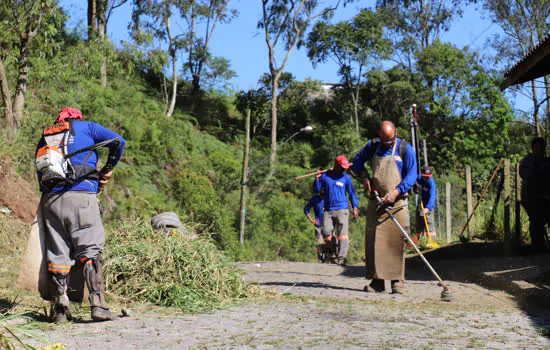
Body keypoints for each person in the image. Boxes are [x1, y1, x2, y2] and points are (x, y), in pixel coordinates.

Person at [35, 107, 125, 322]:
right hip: (82, 196)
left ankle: (60, 308)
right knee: (90, 247)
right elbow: (118, 141)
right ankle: (98, 305)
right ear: (77, 118)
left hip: (51, 201)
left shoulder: (46, 135)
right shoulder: (88, 127)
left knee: (57, 252)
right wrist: (108, 167)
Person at [352, 120, 417, 294]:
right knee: (374, 242)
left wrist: (396, 192)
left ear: (395, 132)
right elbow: (356, 162)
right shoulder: (373, 146)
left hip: (397, 202)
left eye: (391, 140)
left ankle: (397, 281)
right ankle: (377, 281)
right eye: (385, 141)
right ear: (380, 136)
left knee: (396, 242)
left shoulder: (405, 149)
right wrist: (365, 178)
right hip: (377, 201)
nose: (388, 143)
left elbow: (412, 175)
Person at [313, 155, 359, 266]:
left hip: (342, 209)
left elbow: (352, 193)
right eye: (342, 167)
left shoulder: (346, 178)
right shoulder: (325, 176)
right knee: (325, 232)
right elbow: (317, 190)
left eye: (345, 167)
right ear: (336, 165)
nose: (343, 169)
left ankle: (341, 259)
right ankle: (333, 252)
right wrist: (317, 179)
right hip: (328, 209)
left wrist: (355, 207)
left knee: (343, 235)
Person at [519, 137, 550, 252]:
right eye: (537, 147)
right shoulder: (527, 161)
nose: (539, 150)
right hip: (531, 197)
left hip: (546, 197)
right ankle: (538, 247)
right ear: (533, 148)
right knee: (536, 220)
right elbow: (526, 175)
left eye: (541, 147)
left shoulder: (547, 161)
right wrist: (538, 169)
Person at [413, 165, 437, 244]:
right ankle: (419, 243)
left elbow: (432, 197)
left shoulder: (431, 183)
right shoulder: (418, 178)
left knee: (429, 224)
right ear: (422, 174)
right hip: (420, 203)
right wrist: (415, 189)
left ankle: (432, 242)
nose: (426, 178)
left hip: (428, 206)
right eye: (424, 176)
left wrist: (427, 208)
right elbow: (415, 186)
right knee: (419, 224)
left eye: (427, 177)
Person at [303, 189, 325, 262]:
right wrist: (311, 220)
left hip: (329, 225)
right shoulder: (315, 199)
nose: (324, 191)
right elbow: (306, 209)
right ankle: (320, 259)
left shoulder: (330, 198)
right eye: (323, 189)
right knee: (319, 243)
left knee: (330, 241)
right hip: (318, 225)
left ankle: (330, 258)